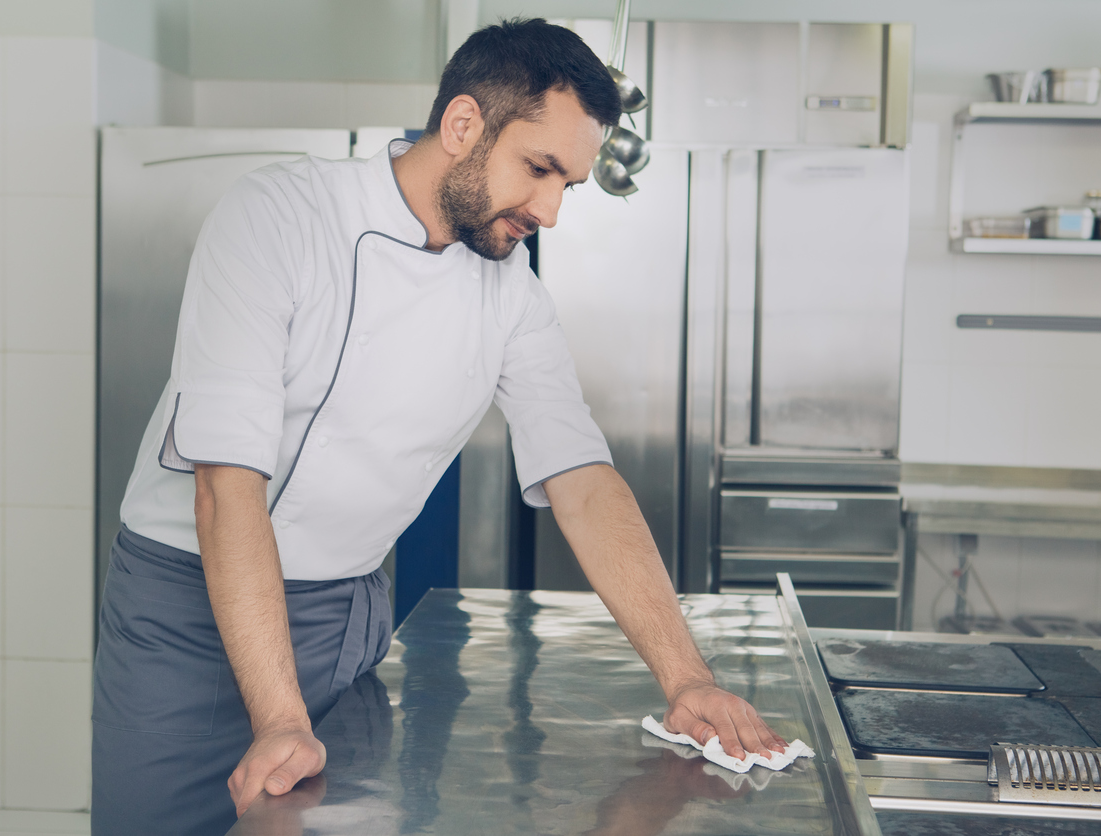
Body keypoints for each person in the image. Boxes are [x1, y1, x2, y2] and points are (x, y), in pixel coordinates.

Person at [91, 18, 785, 835]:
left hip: (346, 615)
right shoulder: (279, 219)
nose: (553, 211)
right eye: (540, 169)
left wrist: (686, 679)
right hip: (189, 617)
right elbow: (225, 487)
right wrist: (279, 717)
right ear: (463, 125)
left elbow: (583, 481)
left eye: (570, 184)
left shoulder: (509, 290)